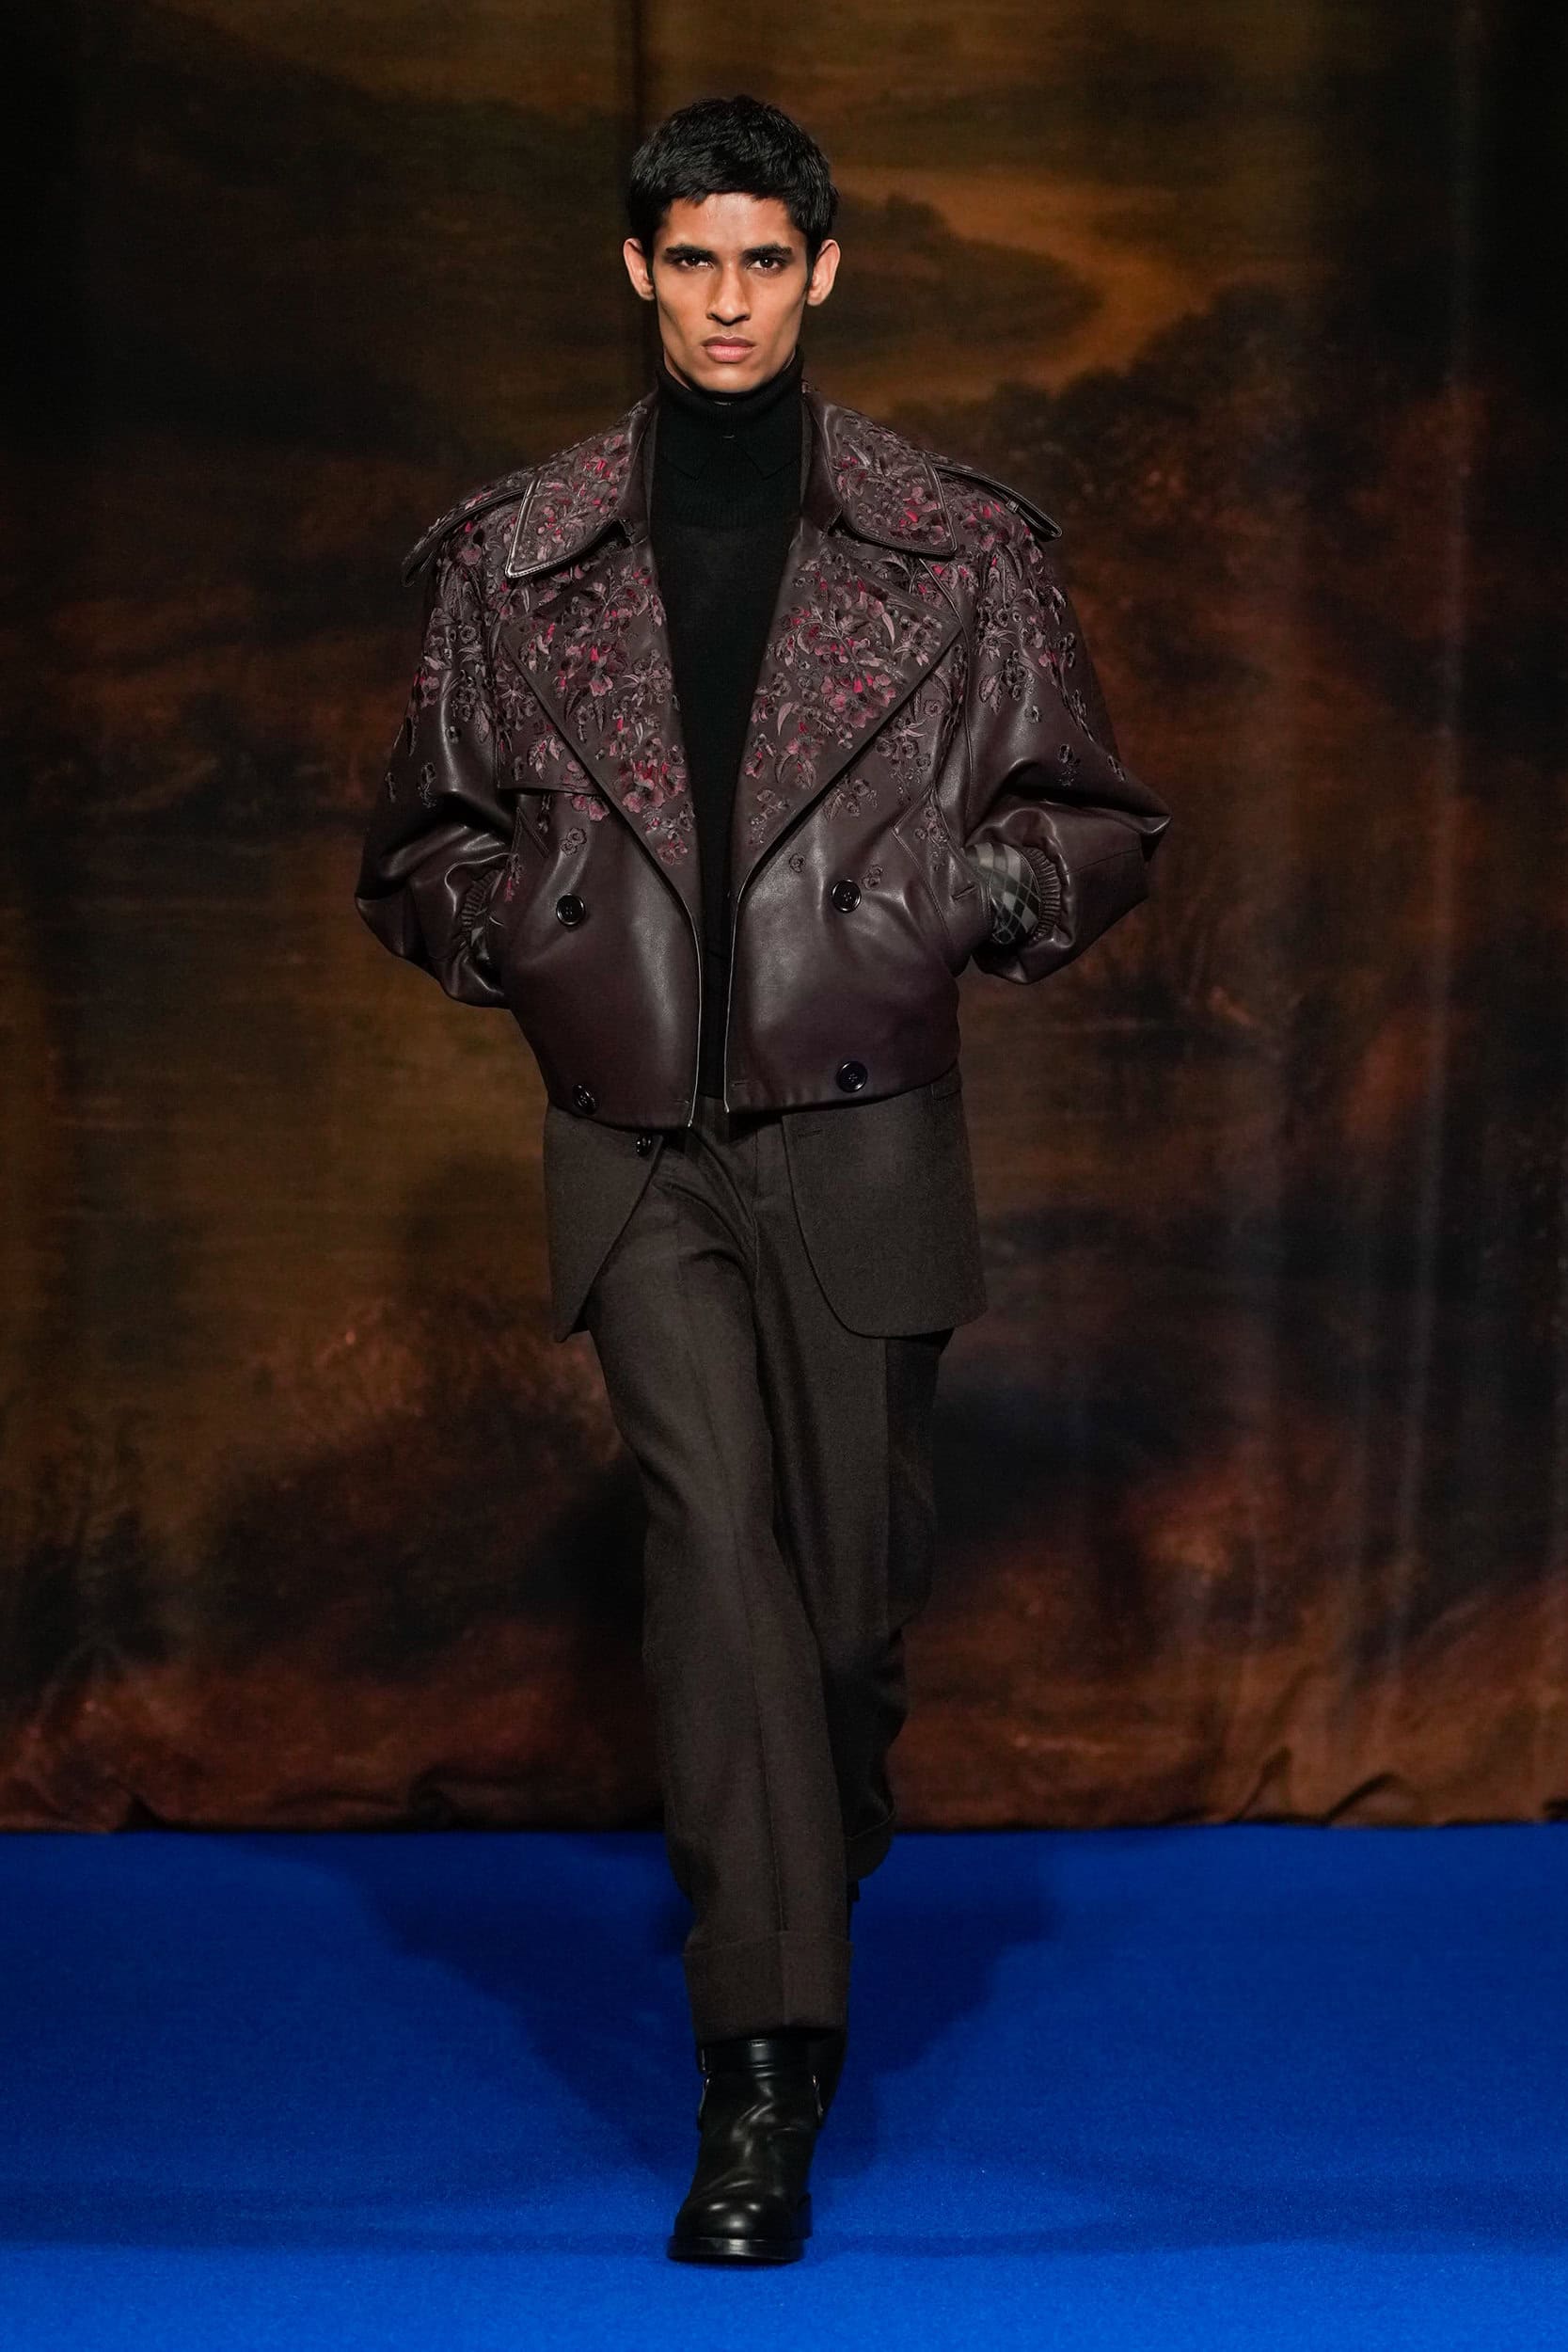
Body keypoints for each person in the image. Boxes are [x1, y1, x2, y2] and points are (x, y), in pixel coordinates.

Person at [353, 92, 1171, 2265]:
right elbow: (417, 844)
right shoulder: (519, 559)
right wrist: (525, 927)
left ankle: (819, 1827)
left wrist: (958, 893)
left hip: (866, 1120)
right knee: (711, 1558)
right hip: (637, 1144)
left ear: (824, 273)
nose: (728, 303)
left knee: (845, 1611)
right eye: (691, 262)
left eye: (764, 263)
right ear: (638, 271)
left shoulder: (956, 550)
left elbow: (1095, 820)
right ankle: (758, 2075)